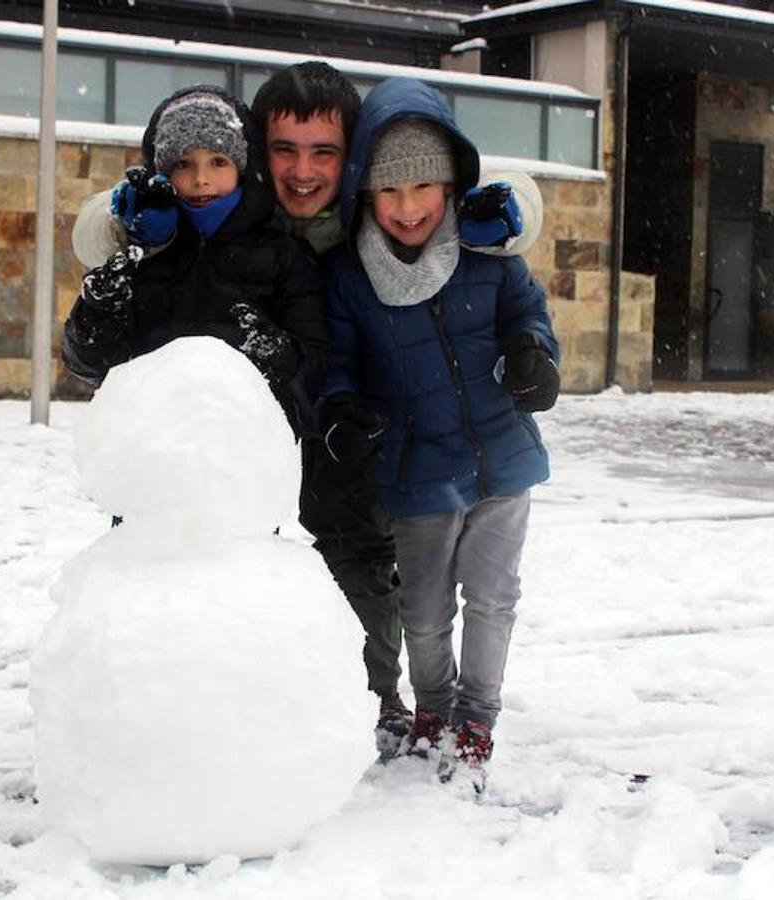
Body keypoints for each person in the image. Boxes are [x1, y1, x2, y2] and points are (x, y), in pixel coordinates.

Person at [70, 62, 547, 759]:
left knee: (358, 549)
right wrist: (122, 217)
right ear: (257, 150)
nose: (302, 170)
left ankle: (370, 691)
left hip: (350, 412)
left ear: (349, 155)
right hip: (242, 422)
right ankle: (185, 693)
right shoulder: (221, 199)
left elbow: (490, 199)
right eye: (284, 150)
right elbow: (105, 227)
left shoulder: (375, 194)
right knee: (209, 548)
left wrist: (514, 214)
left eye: (323, 151)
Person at [317, 76, 561, 793]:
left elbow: (529, 316)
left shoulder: (489, 251)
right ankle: (433, 709)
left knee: (492, 598)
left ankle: (477, 717)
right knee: (423, 613)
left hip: (501, 457)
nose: (408, 207)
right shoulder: (350, 277)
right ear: (366, 194)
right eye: (388, 193)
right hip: (416, 467)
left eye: (423, 188)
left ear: (450, 185)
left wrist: (534, 358)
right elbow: (339, 363)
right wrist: (341, 412)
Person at [61, 85, 325, 439]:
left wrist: (281, 358)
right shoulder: (144, 255)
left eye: (218, 162)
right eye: (183, 164)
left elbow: (317, 366)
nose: (201, 179)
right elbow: (90, 365)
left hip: (250, 457)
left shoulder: (283, 258)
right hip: (154, 450)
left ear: (243, 168)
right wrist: (100, 310)